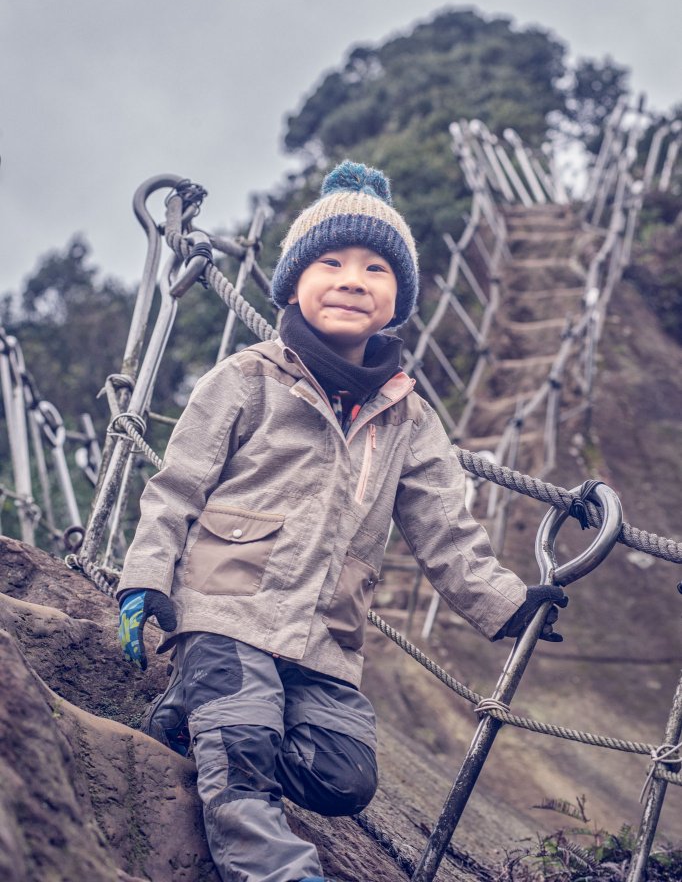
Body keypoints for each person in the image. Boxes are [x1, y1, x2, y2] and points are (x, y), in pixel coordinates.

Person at [116, 160, 567, 882]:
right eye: (331, 262)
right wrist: (145, 580)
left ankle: (189, 719)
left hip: (325, 637)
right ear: (293, 282)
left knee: (345, 779)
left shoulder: (409, 417)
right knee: (244, 748)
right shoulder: (246, 379)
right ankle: (275, 865)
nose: (353, 279)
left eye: (377, 269)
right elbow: (175, 489)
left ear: (399, 301)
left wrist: (508, 604)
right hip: (226, 609)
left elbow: (445, 529)